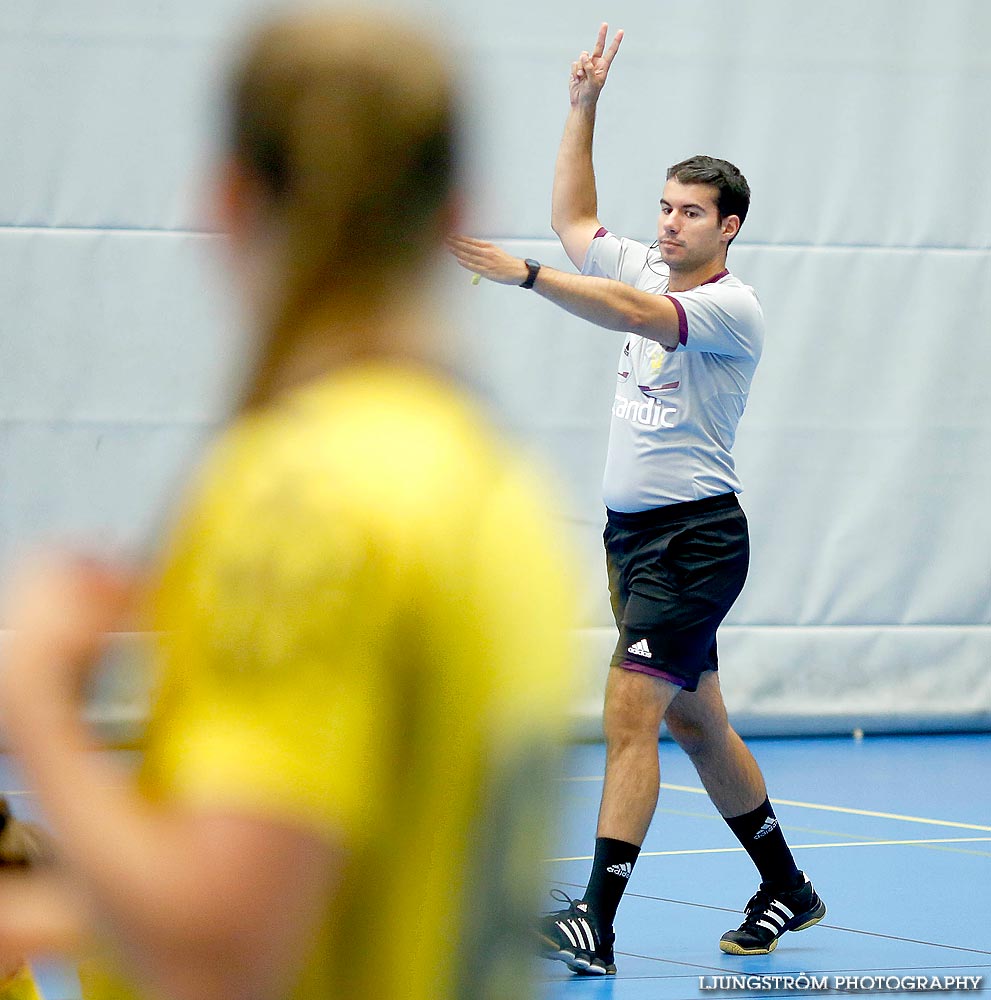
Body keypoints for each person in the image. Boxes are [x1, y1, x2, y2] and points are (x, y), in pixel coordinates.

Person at [0, 10, 575, 1000]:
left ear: (227, 202)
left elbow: (221, 949)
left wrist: (37, 705)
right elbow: (336, 891)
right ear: (451, 218)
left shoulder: (301, 493)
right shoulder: (497, 489)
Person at [448, 21, 825, 977]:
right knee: (697, 720)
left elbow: (623, 307)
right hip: (634, 542)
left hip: (694, 542)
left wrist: (529, 277)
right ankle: (786, 884)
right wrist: (582, 107)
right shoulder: (645, 262)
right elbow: (577, 220)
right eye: (662, 207)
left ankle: (596, 919)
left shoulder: (729, 308)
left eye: (688, 212)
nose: (666, 224)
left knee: (631, 713)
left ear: (726, 226)